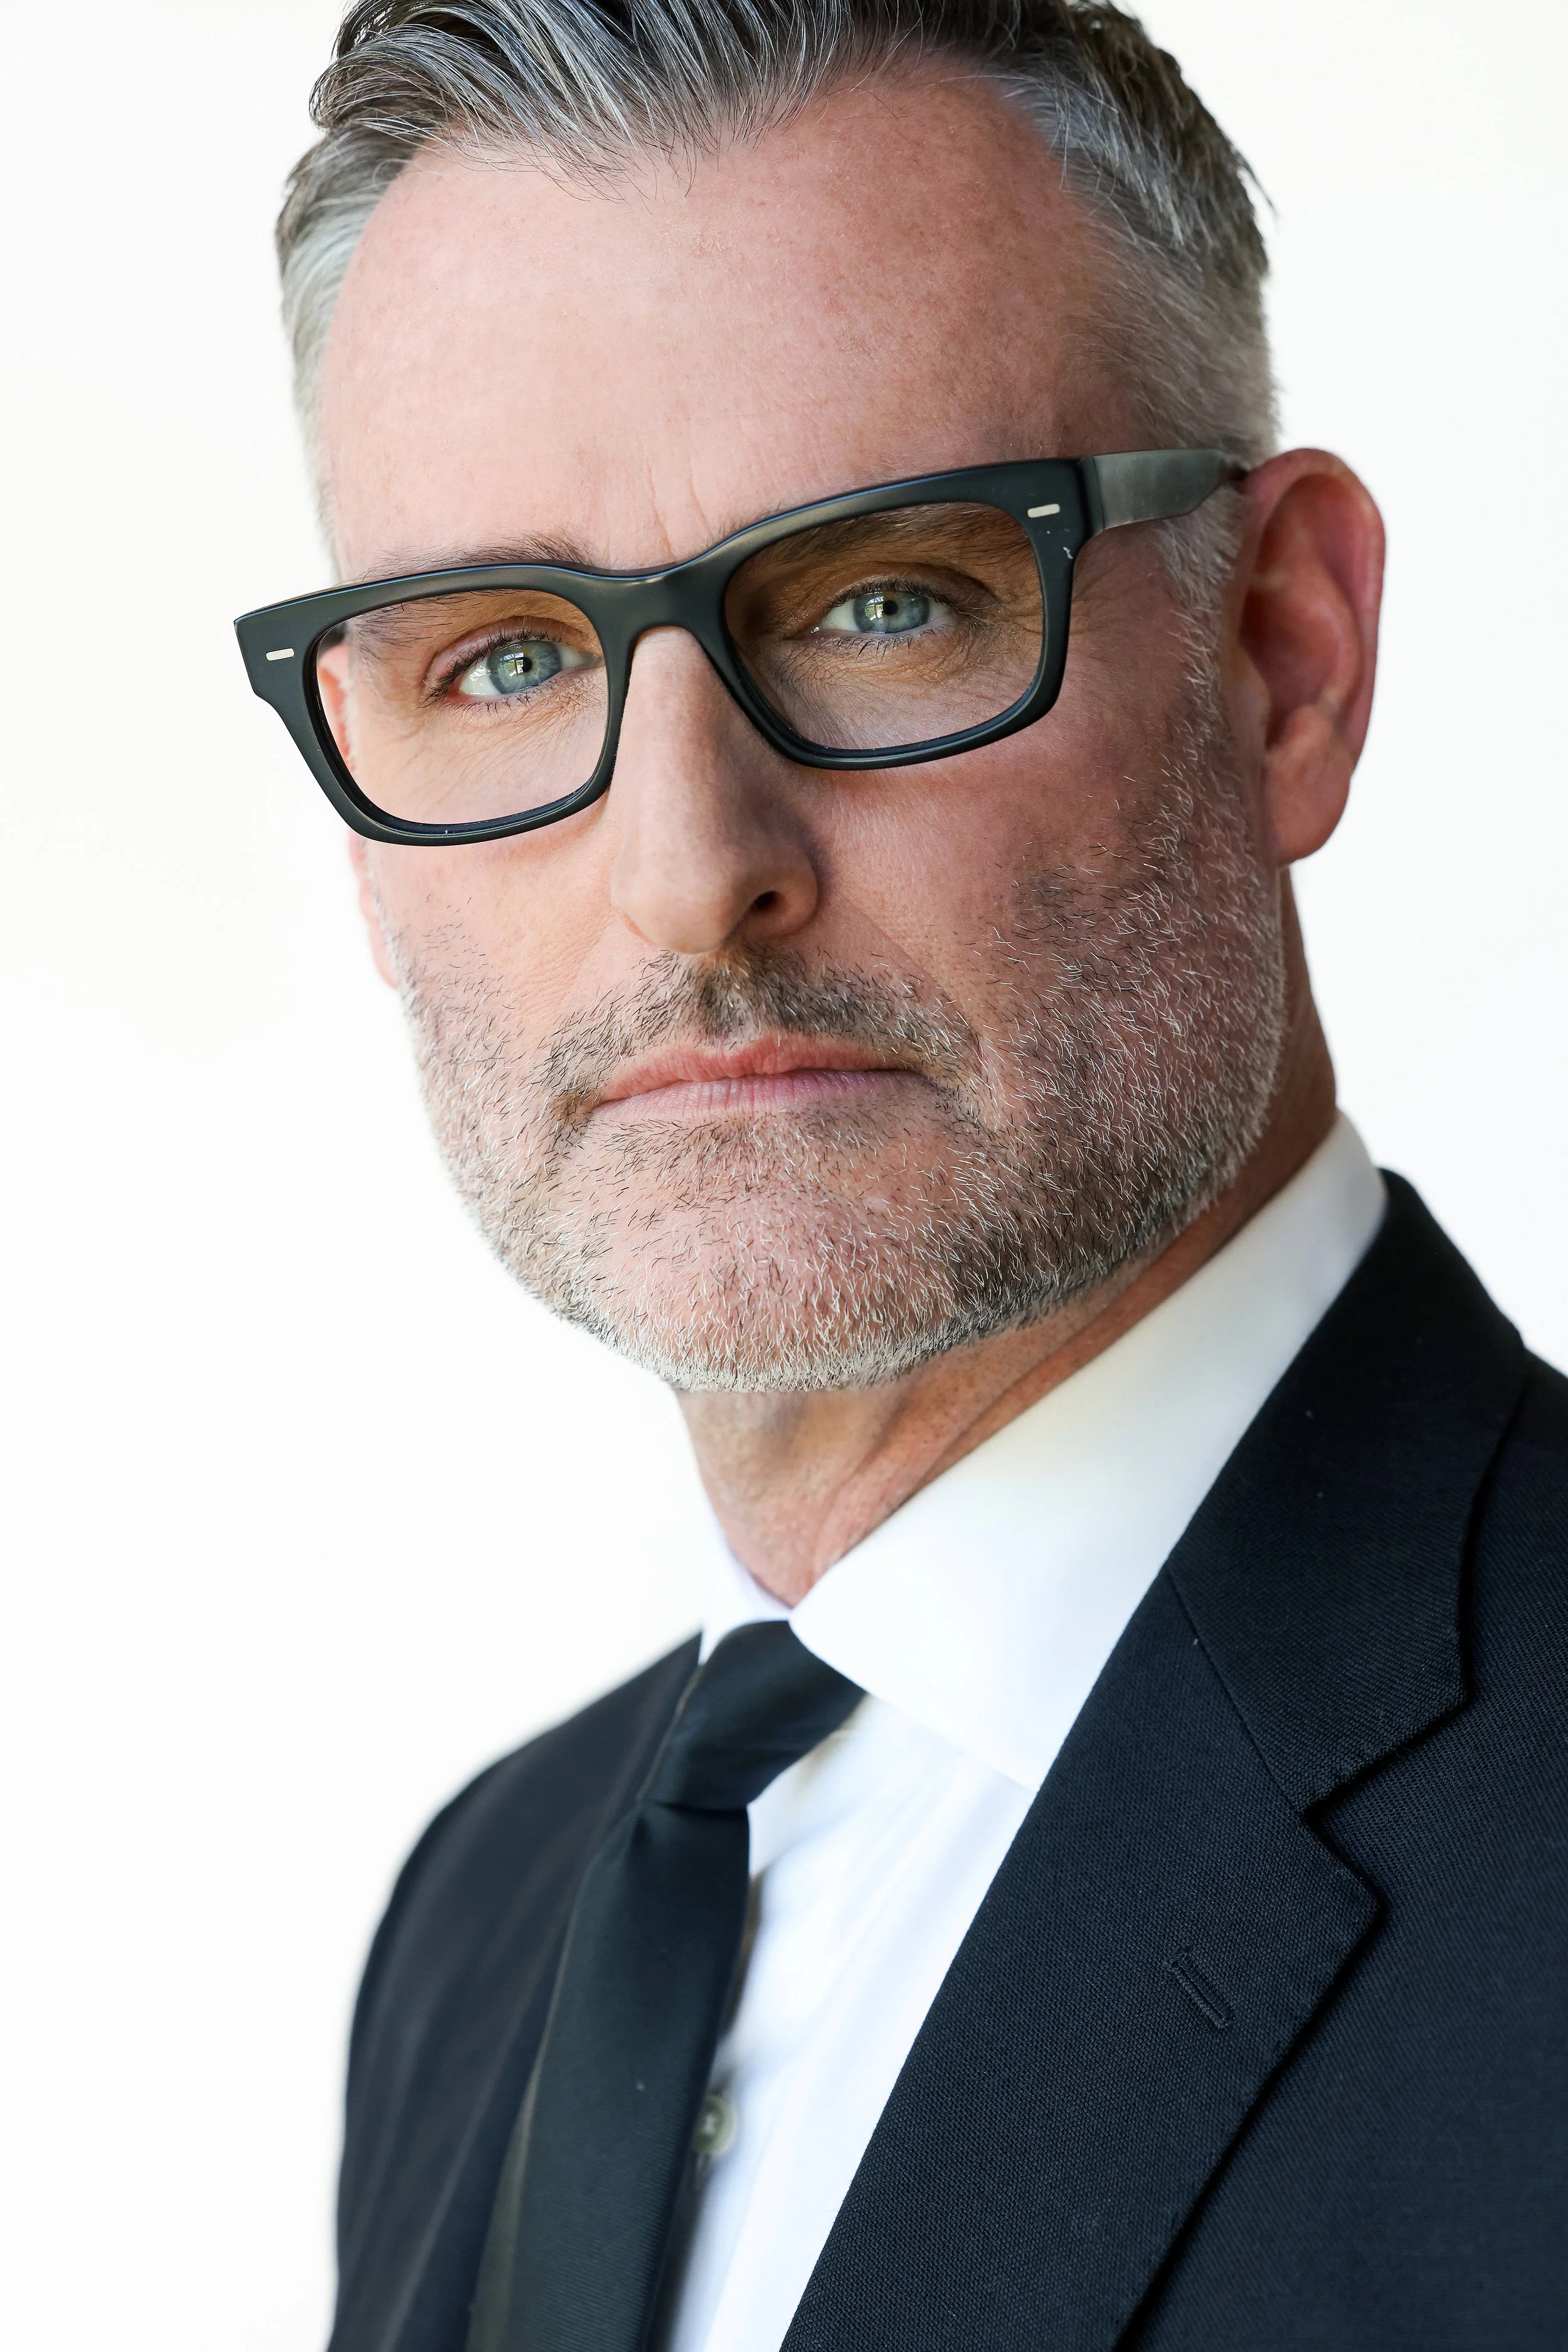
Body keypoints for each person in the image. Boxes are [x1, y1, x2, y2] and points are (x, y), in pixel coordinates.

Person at [236, 4, 1568, 2346]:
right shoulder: (490, 1916)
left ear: (1281, 659)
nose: (684, 871)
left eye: (879, 600)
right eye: (506, 659)